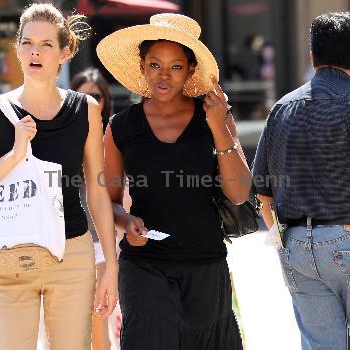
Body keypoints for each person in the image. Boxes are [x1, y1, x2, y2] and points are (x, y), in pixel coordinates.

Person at [97, 13, 251, 350]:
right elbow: (106, 200)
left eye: (176, 67)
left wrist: (219, 126)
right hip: (145, 266)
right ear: (142, 65)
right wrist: (126, 222)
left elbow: (239, 193)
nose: (164, 75)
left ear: (191, 71)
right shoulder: (121, 127)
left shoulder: (213, 116)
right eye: (155, 64)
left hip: (205, 263)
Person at [0, 4, 118, 350]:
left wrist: (112, 268)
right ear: (16, 48)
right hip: (6, 255)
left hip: (70, 255)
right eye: (27, 42)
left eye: (46, 44)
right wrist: (14, 155)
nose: (34, 52)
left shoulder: (86, 110)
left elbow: (98, 192)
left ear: (66, 51)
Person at [252, 11, 350, 350]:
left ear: (312, 56)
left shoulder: (282, 107)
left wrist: (282, 241)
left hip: (295, 242)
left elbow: (262, 193)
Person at [70, 67, 120, 350]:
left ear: (105, 100)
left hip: (103, 239)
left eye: (96, 96)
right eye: (82, 95)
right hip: (65, 241)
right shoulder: (59, 133)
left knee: (98, 319)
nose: (90, 100)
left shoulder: (113, 136)